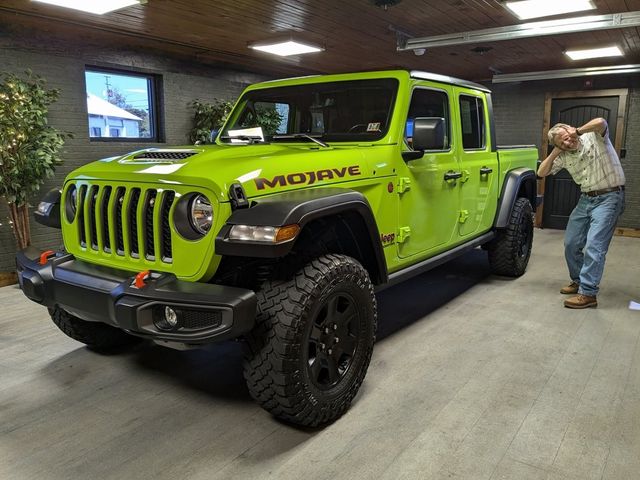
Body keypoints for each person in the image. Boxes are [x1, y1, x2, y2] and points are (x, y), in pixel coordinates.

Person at [537, 117, 625, 309]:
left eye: (567, 136)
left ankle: (588, 293)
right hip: (586, 199)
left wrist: (576, 131)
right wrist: (555, 151)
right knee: (571, 243)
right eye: (563, 142)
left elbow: (601, 122)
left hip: (609, 197)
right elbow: (541, 173)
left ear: (570, 128)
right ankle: (578, 281)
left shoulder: (595, 137)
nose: (569, 142)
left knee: (595, 245)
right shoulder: (564, 155)